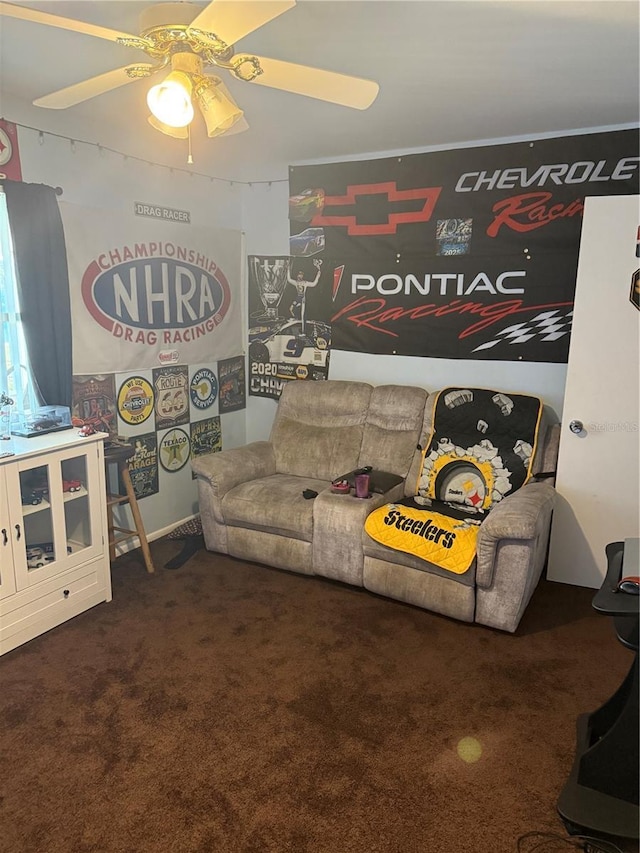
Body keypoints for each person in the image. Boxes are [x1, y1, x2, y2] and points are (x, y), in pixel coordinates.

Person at [287, 259, 322, 333]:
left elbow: (314, 284)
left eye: (301, 275)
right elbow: (289, 279)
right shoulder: (296, 282)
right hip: (298, 297)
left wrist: (318, 275)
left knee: (303, 315)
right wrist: (288, 268)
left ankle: (303, 331)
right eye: (299, 274)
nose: (299, 276)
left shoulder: (305, 283)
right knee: (291, 309)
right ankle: (295, 317)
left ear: (302, 276)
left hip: (303, 298)